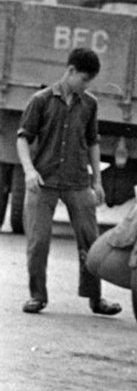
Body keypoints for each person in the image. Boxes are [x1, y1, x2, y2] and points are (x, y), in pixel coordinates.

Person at [18, 47, 119, 316]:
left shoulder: (89, 104)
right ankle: (37, 296)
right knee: (38, 242)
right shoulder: (40, 100)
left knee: (91, 241)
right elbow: (23, 138)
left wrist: (97, 181)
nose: (86, 86)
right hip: (44, 181)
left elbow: (93, 142)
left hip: (77, 182)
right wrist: (29, 170)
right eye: (84, 79)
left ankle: (96, 299)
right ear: (71, 71)